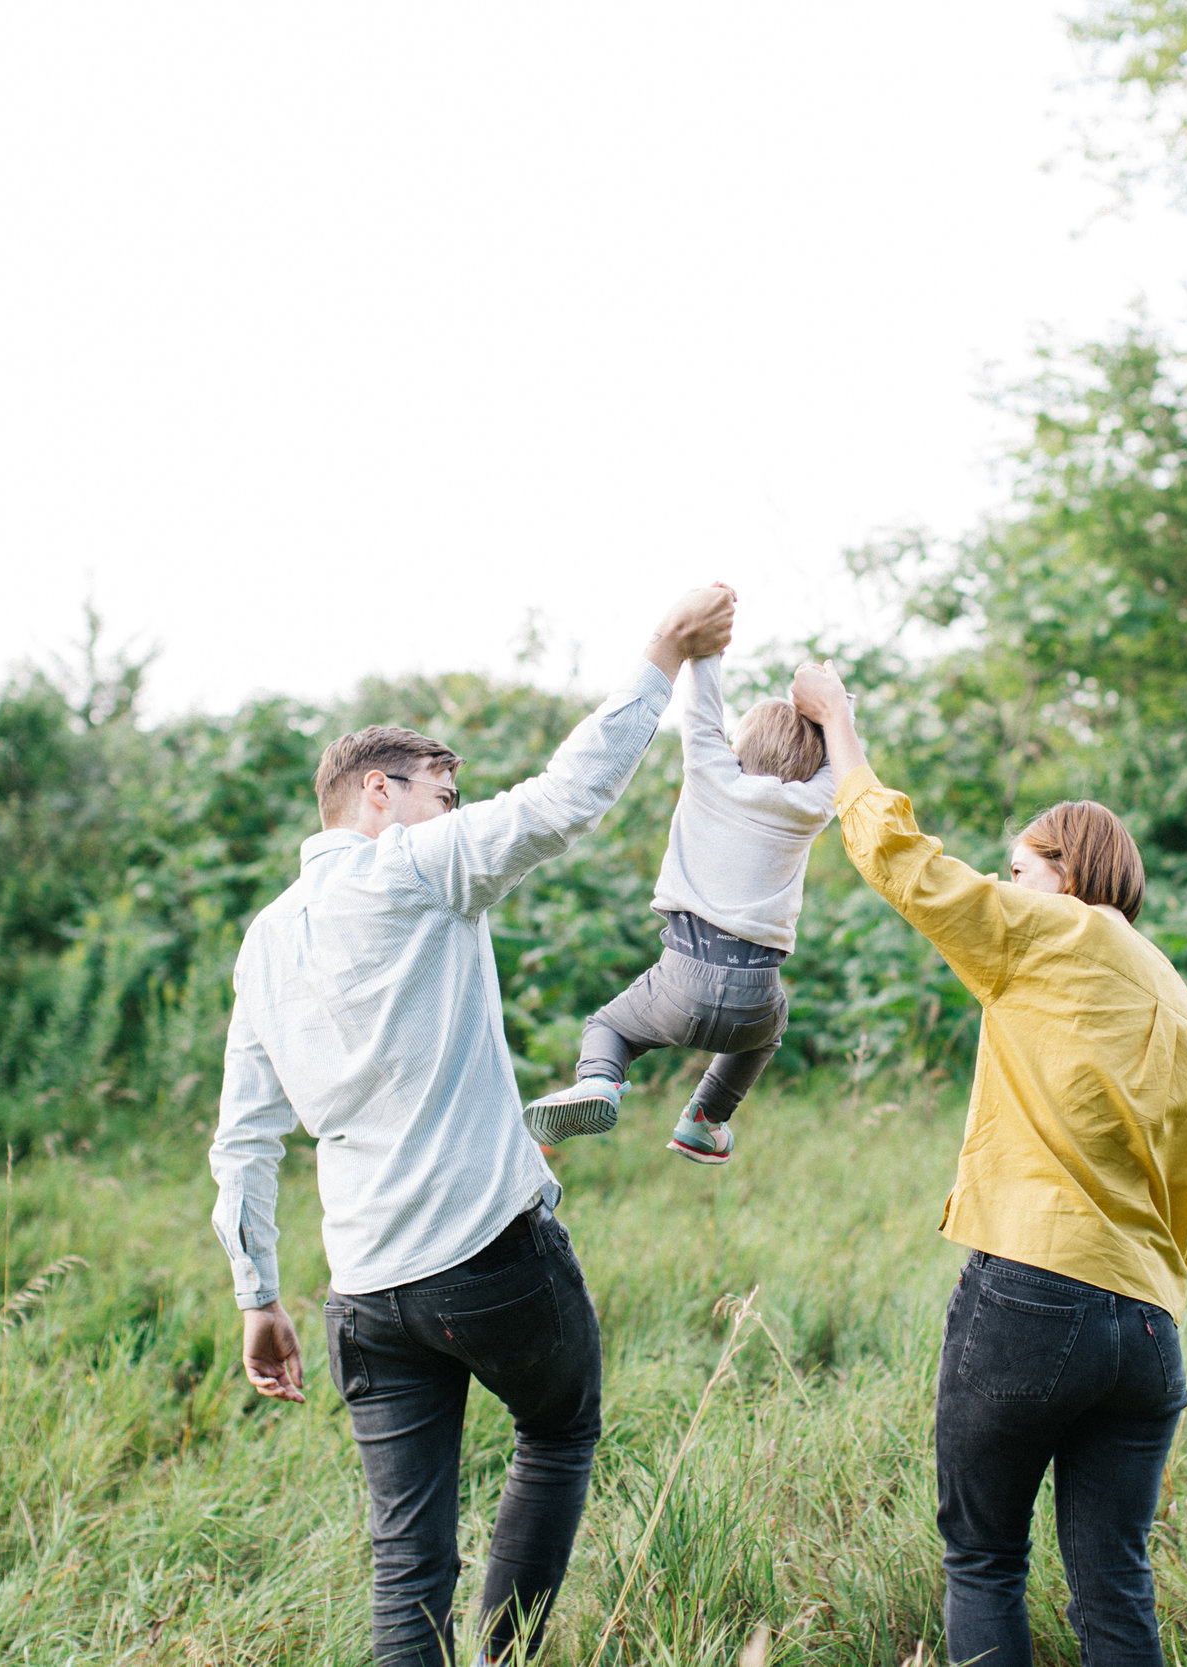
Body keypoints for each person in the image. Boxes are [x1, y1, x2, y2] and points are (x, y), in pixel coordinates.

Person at [206, 584, 736, 1667]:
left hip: (364, 1290)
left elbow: (245, 1137)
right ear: (376, 793)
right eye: (443, 791)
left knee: (406, 1559)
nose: (458, 808)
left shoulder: (263, 941)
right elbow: (564, 799)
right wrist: (663, 655)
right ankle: (508, 1657)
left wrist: (258, 1295)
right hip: (488, 1255)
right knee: (561, 1428)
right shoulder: (408, 867)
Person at [788, 659, 1187, 1667]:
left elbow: (900, 858)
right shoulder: (1170, 991)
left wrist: (838, 723)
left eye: (1019, 869)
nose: (1006, 886)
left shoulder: (1047, 933)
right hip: (1150, 1322)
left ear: (1064, 875)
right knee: (1115, 1579)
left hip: (1034, 1293)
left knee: (983, 1555)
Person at [523, 650, 833, 1164]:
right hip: (756, 998)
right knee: (767, 1036)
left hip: (680, 983)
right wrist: (836, 704)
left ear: (736, 749)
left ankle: (599, 1080)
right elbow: (846, 759)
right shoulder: (813, 807)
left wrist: (708, 647)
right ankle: (703, 1120)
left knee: (611, 1027)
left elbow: (702, 709)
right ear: (815, 767)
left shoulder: (711, 774)